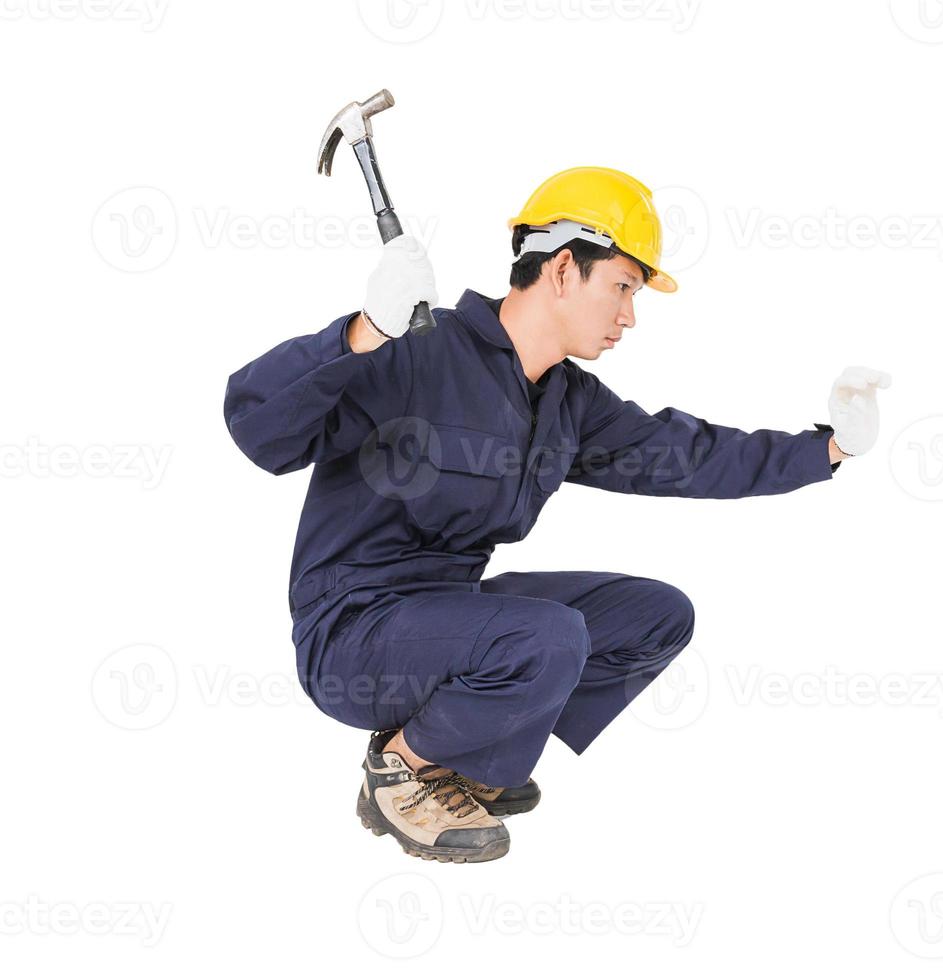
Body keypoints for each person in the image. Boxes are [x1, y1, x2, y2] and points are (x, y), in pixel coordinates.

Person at [223, 166, 891, 864]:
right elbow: (257, 428)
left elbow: (686, 456)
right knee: (549, 636)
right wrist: (363, 331)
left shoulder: (568, 404)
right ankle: (404, 767)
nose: (630, 315)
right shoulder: (416, 350)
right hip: (353, 635)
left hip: (449, 620)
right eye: (624, 287)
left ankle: (465, 751)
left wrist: (831, 448)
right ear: (565, 267)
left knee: (657, 615)